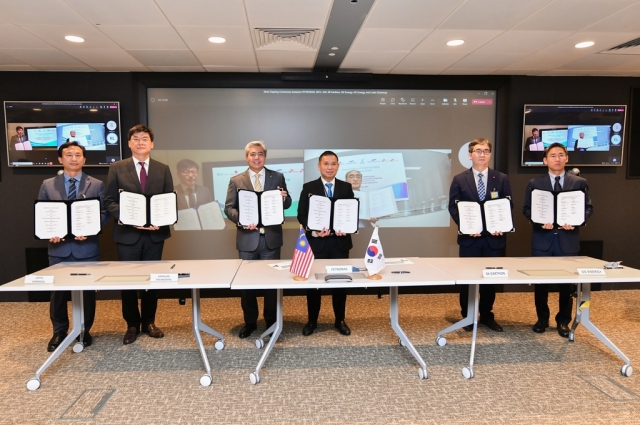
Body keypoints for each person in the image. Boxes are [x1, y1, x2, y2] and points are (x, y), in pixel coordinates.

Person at [104, 124, 174, 345]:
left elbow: (169, 199)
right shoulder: (117, 168)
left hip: (154, 235)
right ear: (129, 143)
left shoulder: (163, 169)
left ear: (151, 144)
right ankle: (132, 324)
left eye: (145, 139)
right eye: (136, 138)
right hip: (127, 235)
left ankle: (149, 322)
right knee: (129, 282)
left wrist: (161, 221)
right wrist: (127, 218)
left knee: (153, 281)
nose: (140, 142)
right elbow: (109, 201)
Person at [38, 141, 109, 351]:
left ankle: (84, 330)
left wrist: (91, 228)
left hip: (86, 248)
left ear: (84, 159)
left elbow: (104, 213)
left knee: (87, 293)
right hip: (58, 249)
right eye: (69, 155)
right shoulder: (47, 184)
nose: (74, 158)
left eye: (78, 154)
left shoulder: (96, 184)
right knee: (57, 294)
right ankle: (59, 331)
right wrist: (49, 233)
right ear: (60, 159)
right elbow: (42, 213)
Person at [523, 142, 593, 338]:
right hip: (542, 240)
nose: (557, 158)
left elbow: (588, 208)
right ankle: (542, 319)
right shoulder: (534, 183)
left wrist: (577, 221)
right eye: (553, 155)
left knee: (567, 285)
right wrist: (538, 222)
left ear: (567, 158)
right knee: (541, 283)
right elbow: (527, 210)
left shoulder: (579, 183)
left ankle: (563, 321)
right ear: (545, 160)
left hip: (567, 240)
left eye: (561, 155)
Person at [224, 141, 292, 339]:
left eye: (260, 154)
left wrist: (284, 197)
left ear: (265, 156)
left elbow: (286, 204)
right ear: (247, 157)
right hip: (247, 238)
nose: (256, 157)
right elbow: (229, 208)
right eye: (252, 154)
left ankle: (271, 321)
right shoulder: (236, 180)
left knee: (272, 283)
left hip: (271, 238)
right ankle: (250, 322)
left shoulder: (277, 176)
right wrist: (243, 221)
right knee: (247, 284)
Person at [448, 138, 512, 332]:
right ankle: (467, 315)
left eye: (485, 151)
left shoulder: (501, 178)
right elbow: (453, 206)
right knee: (468, 279)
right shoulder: (460, 179)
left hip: (494, 239)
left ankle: (487, 315)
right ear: (470, 155)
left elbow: (508, 205)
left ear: (490, 155)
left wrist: (502, 225)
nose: (482, 154)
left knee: (489, 280)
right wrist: (467, 226)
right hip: (470, 239)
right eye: (477, 151)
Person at [297, 151, 354, 336]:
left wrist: (346, 227)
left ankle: (340, 320)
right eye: (326, 163)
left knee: (340, 285)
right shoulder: (309, 187)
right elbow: (302, 214)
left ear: (338, 166)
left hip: (339, 243)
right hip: (317, 244)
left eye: (333, 164)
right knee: (314, 286)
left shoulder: (346, 187)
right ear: (319, 166)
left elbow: (350, 213)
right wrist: (314, 231)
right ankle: (312, 320)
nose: (330, 167)